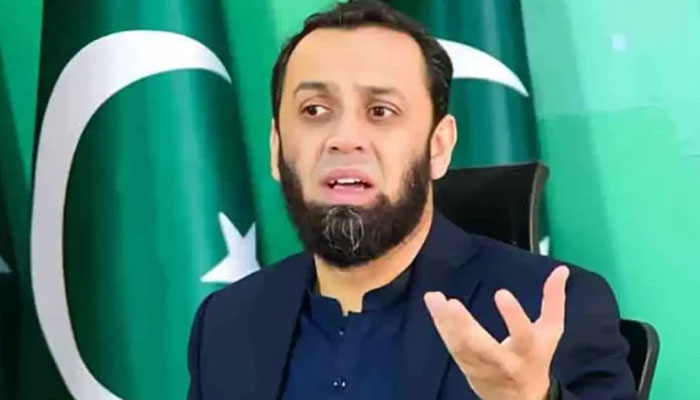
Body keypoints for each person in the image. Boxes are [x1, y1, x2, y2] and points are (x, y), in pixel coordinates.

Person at [186, 1, 637, 399]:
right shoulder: (226, 323)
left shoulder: (549, 311)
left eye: (380, 111)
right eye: (314, 110)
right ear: (276, 148)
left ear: (438, 147)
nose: (344, 138)